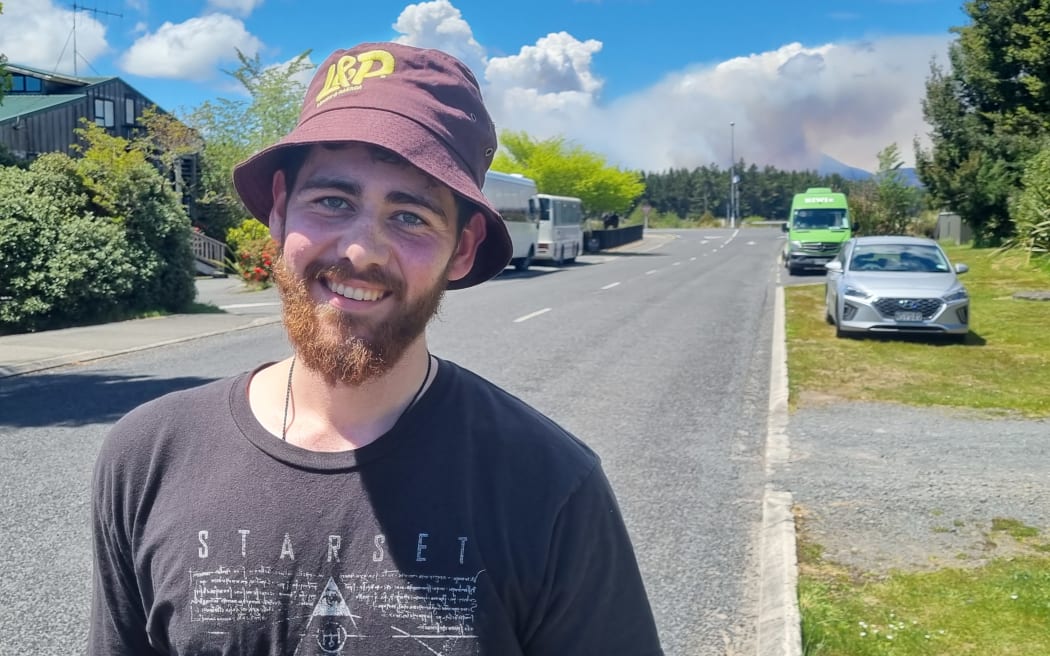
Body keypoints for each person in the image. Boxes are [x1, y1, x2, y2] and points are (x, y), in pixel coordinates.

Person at [90, 42, 663, 655]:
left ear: (463, 249)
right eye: (332, 202)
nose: (361, 251)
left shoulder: (548, 486)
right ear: (281, 212)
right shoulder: (149, 456)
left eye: (411, 216)